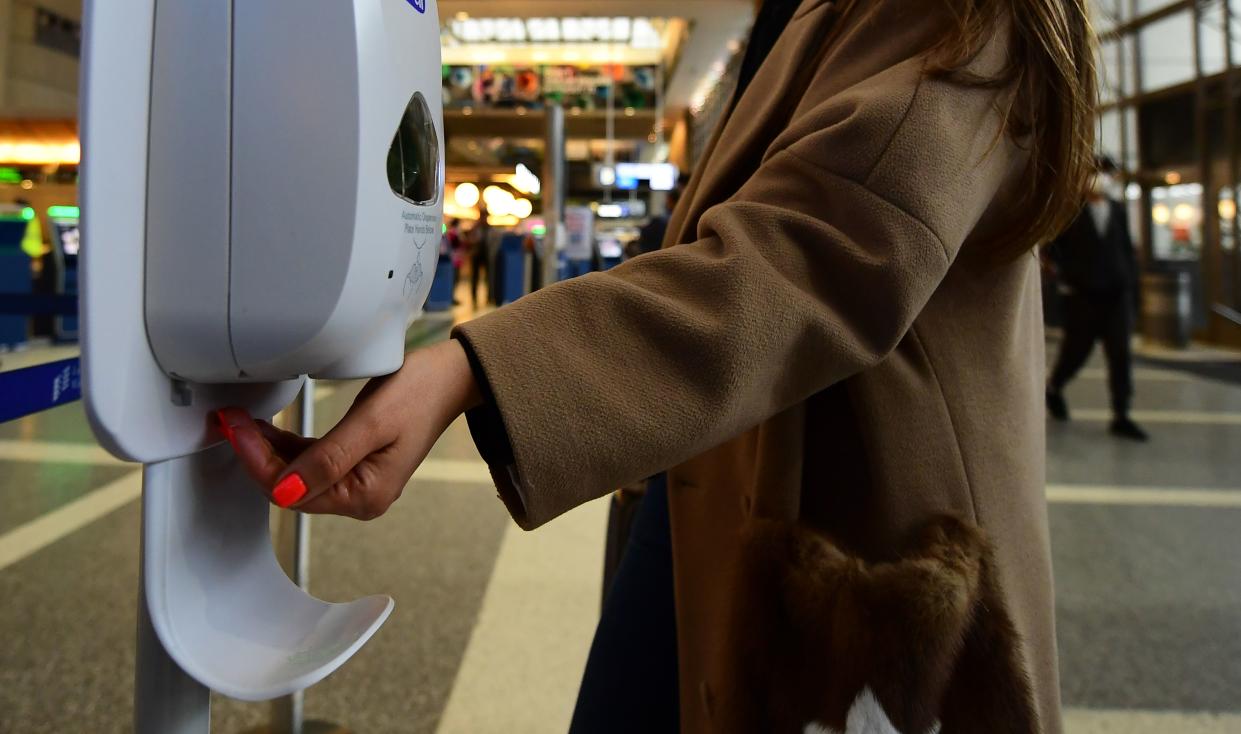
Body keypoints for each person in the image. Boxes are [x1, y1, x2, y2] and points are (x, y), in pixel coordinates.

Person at [218, 0, 1096, 731]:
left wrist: (470, 369)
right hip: (711, 489)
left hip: (850, 541)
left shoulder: (962, 15)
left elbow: (804, 259)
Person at [1045, 156, 1148, 441]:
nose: (1102, 179)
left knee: (1120, 355)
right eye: (1097, 172)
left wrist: (1133, 291)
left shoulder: (1117, 211)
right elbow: (1052, 249)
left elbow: (1126, 250)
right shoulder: (1070, 212)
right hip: (1084, 295)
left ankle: (1121, 413)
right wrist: (1064, 275)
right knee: (1075, 352)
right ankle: (1054, 387)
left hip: (1116, 294)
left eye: (1107, 174)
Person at [468, 209, 491, 309]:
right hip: (476, 255)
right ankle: (474, 299)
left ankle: (488, 297)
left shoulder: (489, 228)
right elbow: (469, 240)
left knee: (488, 278)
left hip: (486, 254)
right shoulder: (475, 227)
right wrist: (474, 241)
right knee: (475, 277)